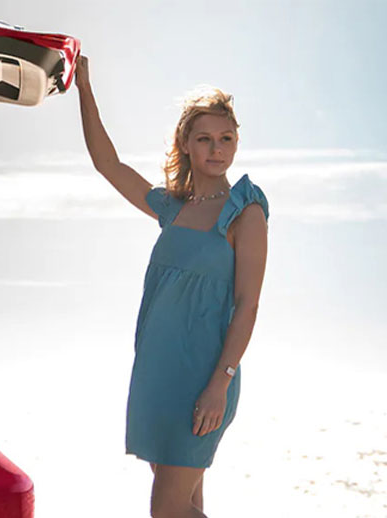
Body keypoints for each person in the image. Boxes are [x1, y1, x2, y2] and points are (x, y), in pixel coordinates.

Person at [74, 54, 269, 518]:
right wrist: (83, 87)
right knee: (185, 505)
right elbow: (107, 163)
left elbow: (248, 303)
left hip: (205, 377)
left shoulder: (246, 211)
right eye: (204, 138)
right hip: (158, 373)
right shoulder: (172, 208)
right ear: (186, 143)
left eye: (225, 138)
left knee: (165, 511)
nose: (216, 149)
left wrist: (220, 383)